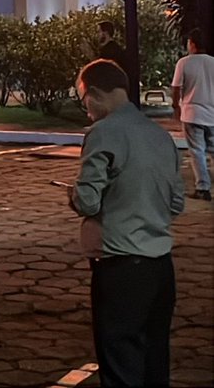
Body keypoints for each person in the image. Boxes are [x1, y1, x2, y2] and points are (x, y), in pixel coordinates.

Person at [68, 58, 184, 388]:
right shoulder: (160, 136)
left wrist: (74, 196)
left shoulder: (103, 133)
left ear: (93, 93)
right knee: (154, 358)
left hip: (120, 265)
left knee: (120, 364)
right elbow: (176, 202)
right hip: (160, 266)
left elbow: (88, 200)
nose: (85, 107)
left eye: (84, 98)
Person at [171, 27, 214, 201]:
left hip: (192, 113)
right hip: (212, 113)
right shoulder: (212, 62)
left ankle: (203, 187)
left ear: (192, 44)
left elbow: (176, 87)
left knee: (197, 151)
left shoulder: (184, 63)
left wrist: (176, 106)